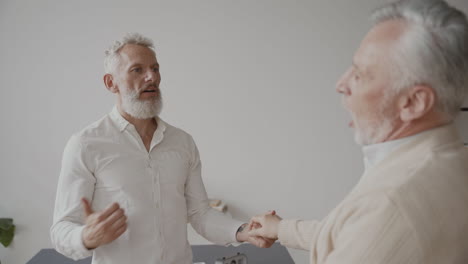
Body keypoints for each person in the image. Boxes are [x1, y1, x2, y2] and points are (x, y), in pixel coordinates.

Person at [248, 0, 468, 263]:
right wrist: (280, 228)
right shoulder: (450, 161)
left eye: (360, 74)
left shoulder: (392, 202)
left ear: (414, 103)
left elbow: (379, 226)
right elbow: (359, 234)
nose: (341, 84)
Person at [50, 33, 273, 264]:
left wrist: (244, 230)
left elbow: (200, 214)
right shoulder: (85, 145)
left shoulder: (182, 142)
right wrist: (86, 237)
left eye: (155, 69)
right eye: (137, 70)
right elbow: (61, 230)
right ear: (111, 82)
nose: (151, 77)